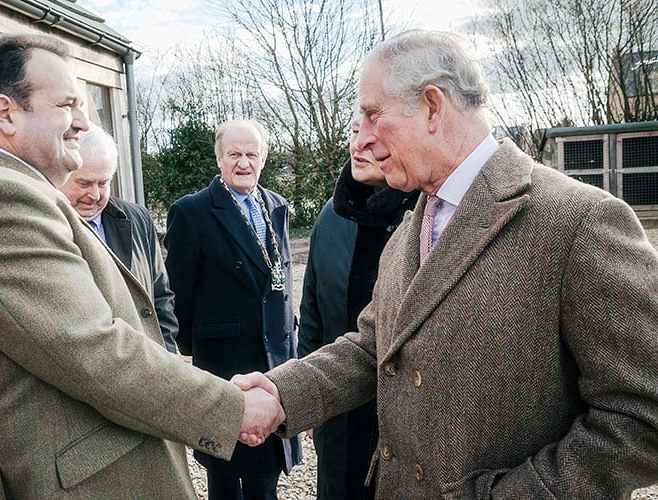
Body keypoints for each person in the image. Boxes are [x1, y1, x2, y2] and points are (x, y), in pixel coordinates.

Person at [234, 29, 658, 498]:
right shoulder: (412, 223)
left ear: (433, 107)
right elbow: (373, 347)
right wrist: (281, 394)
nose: (363, 138)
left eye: (373, 114)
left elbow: (643, 416)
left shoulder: (580, 222)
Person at [0, 33, 282, 498]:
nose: (81, 123)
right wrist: (232, 408)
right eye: (67, 105)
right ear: (6, 114)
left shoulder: (18, 193)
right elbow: (95, 350)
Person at [164, 119, 302, 500]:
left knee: (266, 473)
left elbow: (282, 281)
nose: (244, 163)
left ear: (264, 158)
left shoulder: (276, 206)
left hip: (275, 359)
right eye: (235, 154)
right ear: (219, 158)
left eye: (252, 154)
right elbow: (179, 299)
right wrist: (205, 344)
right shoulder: (192, 212)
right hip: (225, 367)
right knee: (225, 473)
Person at [299, 111, 418, 500]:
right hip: (339, 408)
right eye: (352, 132)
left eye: (372, 131)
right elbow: (312, 312)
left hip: (405, 415)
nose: (358, 143)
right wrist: (309, 396)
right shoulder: (332, 217)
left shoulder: (425, 216)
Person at [58, 124, 179, 353]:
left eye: (103, 183)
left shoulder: (137, 218)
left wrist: (167, 355)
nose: (94, 195)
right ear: (60, 175)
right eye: (84, 183)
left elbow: (161, 297)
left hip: (151, 368)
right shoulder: (48, 227)